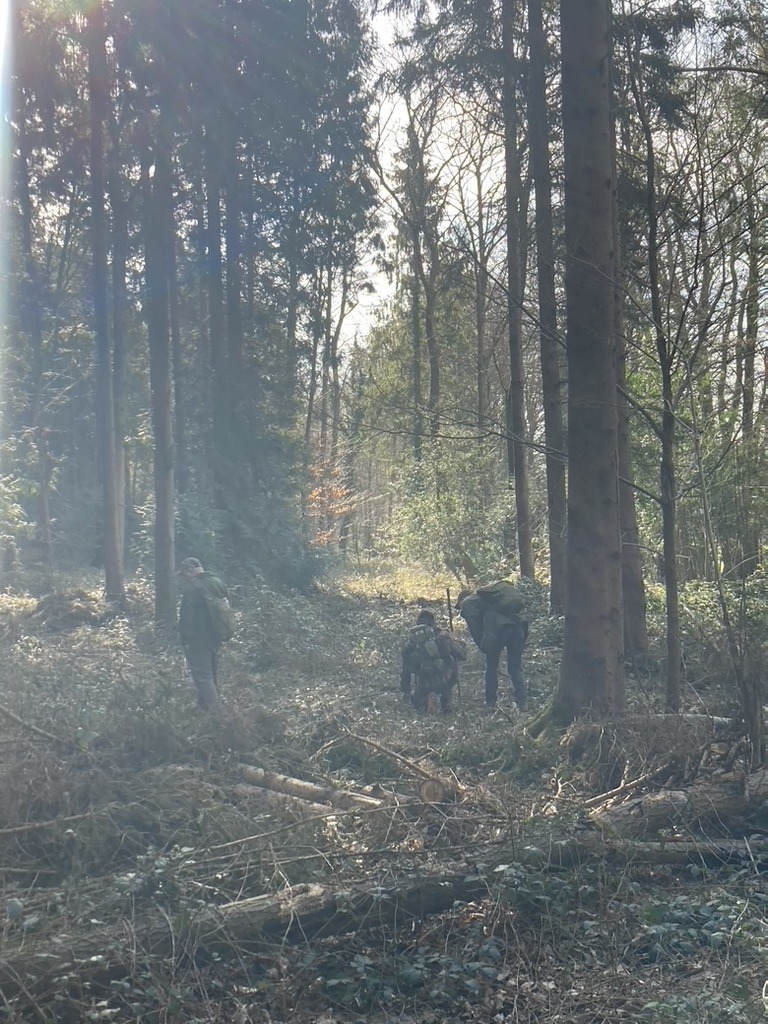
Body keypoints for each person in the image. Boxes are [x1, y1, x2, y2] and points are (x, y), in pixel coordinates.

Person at [455, 584, 528, 711]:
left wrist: (484, 645)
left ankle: (491, 703)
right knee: (515, 666)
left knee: (491, 666)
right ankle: (523, 703)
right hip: (518, 627)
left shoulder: (468, 603)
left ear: (462, 600)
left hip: (499, 629)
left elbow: (475, 629)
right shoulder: (491, 600)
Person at [177, 557, 230, 710]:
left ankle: (215, 714)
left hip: (198, 639)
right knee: (210, 673)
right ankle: (203, 707)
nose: (182, 578)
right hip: (216, 635)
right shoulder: (218, 582)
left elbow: (187, 618)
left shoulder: (192, 589)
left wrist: (185, 639)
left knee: (203, 676)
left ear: (189, 571)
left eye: (183, 574)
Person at [400, 609, 466, 713]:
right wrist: (454, 640)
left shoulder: (412, 643)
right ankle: (446, 702)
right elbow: (462, 655)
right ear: (433, 623)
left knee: (418, 705)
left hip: (423, 685)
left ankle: (424, 700)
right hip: (445, 682)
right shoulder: (443, 637)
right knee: (446, 708)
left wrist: (406, 691)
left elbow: (406, 669)